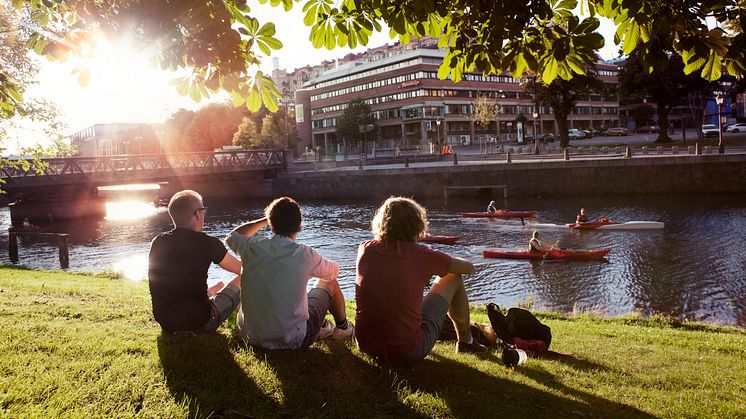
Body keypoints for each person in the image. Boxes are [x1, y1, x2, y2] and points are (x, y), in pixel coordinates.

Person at [355, 196, 487, 361]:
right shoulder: (421, 254)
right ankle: (466, 341)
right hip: (407, 351)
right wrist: (440, 260)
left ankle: (466, 340)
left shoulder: (365, 249)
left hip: (366, 345)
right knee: (454, 276)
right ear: (417, 224)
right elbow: (469, 268)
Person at [226, 196, 353, 349]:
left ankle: (324, 326)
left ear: (271, 223)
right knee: (329, 283)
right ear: (299, 224)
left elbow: (232, 236)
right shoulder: (305, 254)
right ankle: (343, 328)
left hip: (251, 335)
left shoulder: (252, 247)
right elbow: (334, 272)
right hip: (292, 339)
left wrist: (266, 219)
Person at [148, 190, 242, 334]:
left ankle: (223, 304)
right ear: (197, 214)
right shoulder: (208, 243)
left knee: (219, 285)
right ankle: (240, 325)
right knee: (242, 279)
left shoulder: (158, 242)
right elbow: (243, 269)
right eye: (203, 210)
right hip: (199, 322)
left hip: (167, 323)